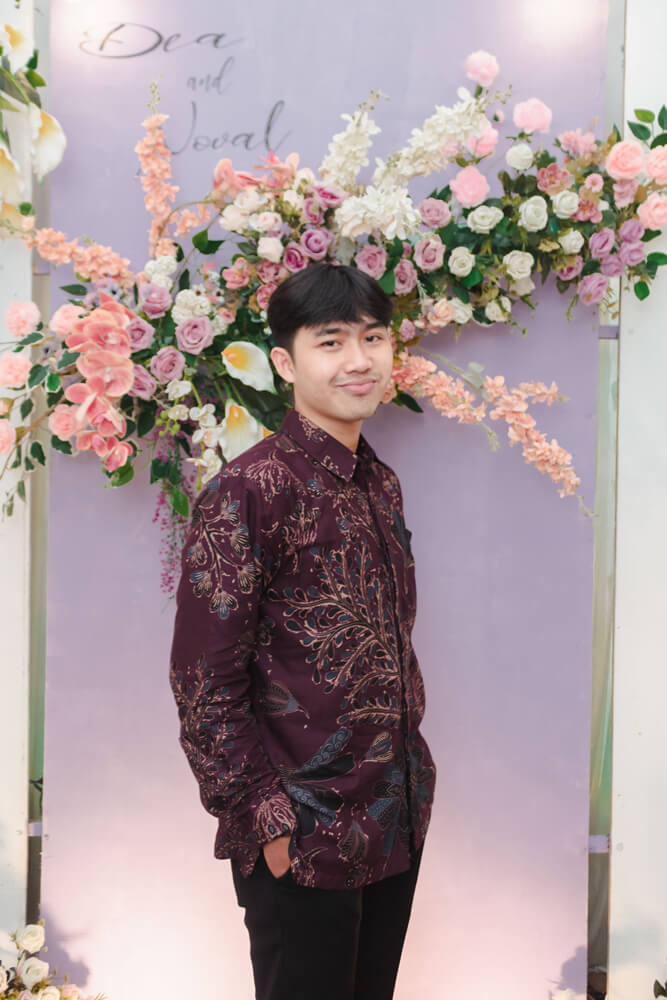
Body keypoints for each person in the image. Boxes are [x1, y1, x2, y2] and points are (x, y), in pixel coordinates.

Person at [169, 262, 436, 1000]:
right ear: (285, 363)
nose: (359, 359)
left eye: (373, 337)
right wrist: (267, 824)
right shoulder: (245, 492)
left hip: (393, 809)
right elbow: (202, 680)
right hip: (304, 828)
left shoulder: (378, 482)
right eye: (331, 341)